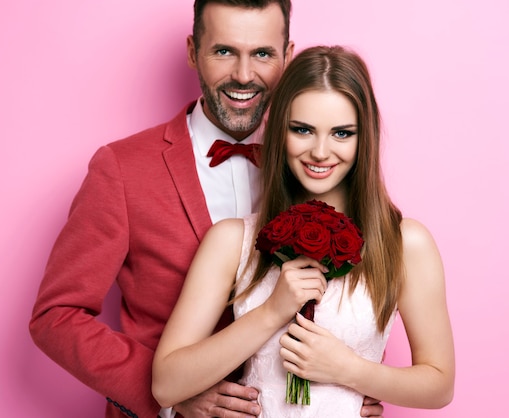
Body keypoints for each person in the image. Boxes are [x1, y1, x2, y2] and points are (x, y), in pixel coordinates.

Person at [29, 1, 386, 417]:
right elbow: (56, 316)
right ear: (192, 51)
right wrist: (169, 395)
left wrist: (343, 392)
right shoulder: (122, 169)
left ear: (287, 57)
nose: (243, 75)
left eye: (263, 54)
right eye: (223, 51)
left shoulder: (317, 162)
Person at [152, 45, 455, 416]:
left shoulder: (406, 243)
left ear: (365, 139)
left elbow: (439, 384)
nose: (321, 152)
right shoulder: (232, 241)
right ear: (280, 130)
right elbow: (166, 385)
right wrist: (271, 311)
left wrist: (349, 370)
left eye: (342, 133)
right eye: (303, 130)